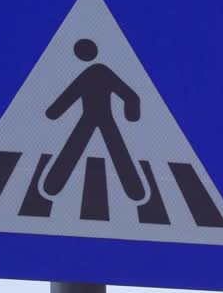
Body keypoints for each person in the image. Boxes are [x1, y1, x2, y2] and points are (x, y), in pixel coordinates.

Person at [42, 37, 146, 201]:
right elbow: (131, 96)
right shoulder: (99, 71)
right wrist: (131, 115)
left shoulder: (96, 72)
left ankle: (52, 186)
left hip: (95, 117)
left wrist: (54, 113)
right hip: (97, 118)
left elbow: (70, 94)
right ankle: (135, 190)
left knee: (77, 148)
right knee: (115, 150)